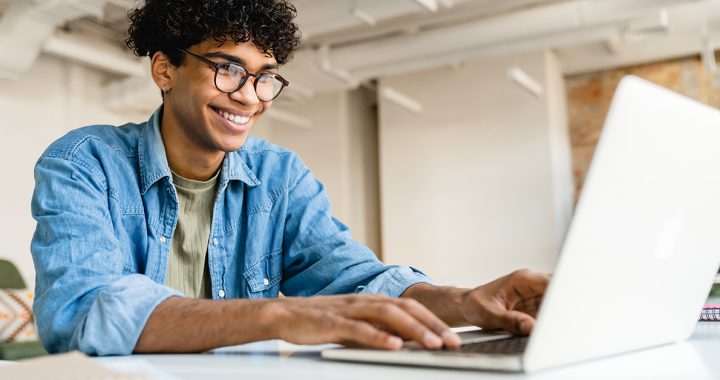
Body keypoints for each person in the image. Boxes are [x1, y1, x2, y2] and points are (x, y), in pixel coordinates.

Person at [30, 0, 549, 356]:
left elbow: (358, 282)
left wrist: (466, 302)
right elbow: (82, 312)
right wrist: (277, 318)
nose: (249, 95)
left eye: (264, 76)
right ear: (164, 70)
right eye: (227, 68)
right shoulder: (84, 162)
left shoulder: (279, 177)